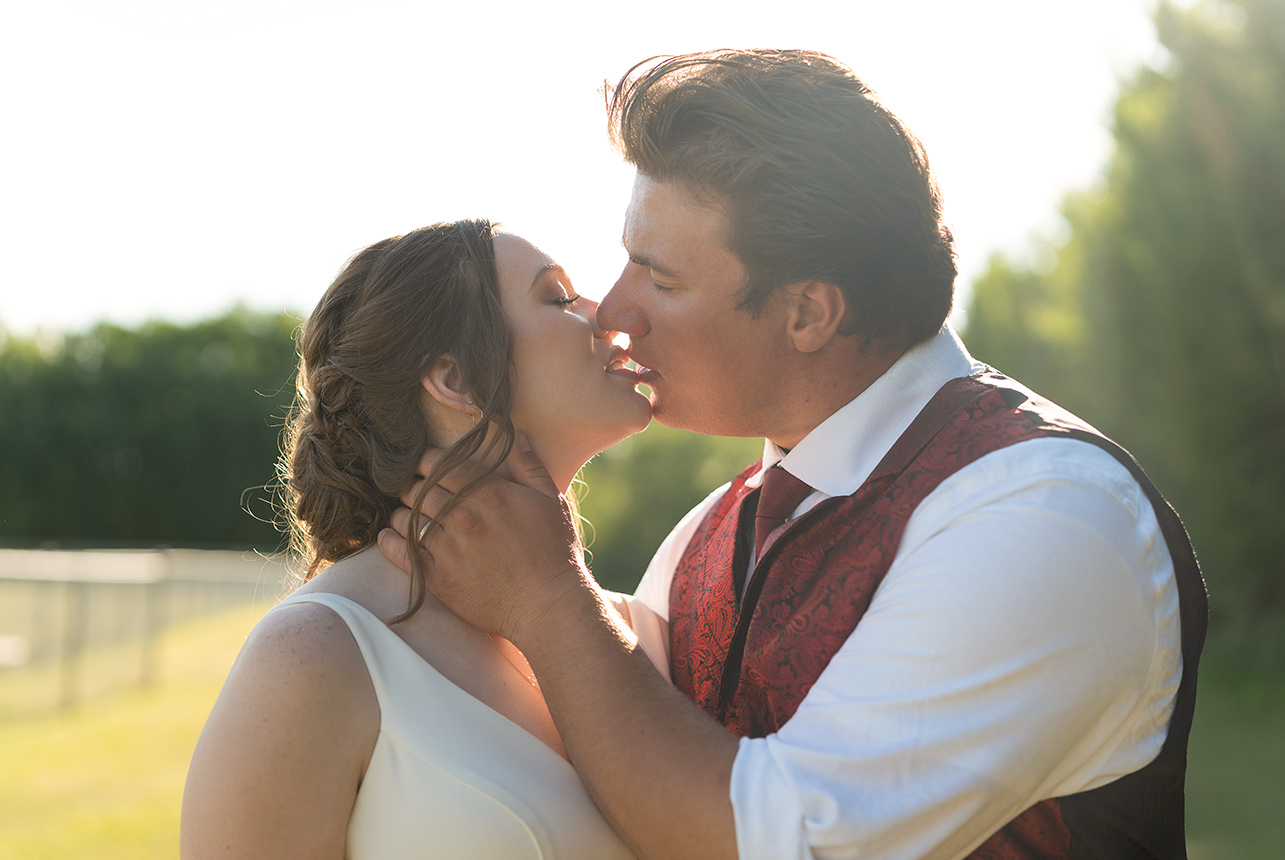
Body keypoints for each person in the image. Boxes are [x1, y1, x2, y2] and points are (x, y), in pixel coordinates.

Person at [379, 50, 1208, 860]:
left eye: (659, 279)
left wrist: (551, 601)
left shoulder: (1045, 514)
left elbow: (779, 841)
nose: (614, 312)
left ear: (807, 312)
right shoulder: (707, 536)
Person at [180, 221, 648, 859]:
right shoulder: (316, 652)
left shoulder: (633, 627)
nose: (606, 312)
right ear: (455, 379)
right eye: (557, 297)